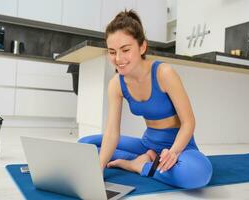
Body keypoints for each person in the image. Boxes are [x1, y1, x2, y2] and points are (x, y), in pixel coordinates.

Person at [79, 9, 212, 189]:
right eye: (112, 52)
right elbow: (111, 133)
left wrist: (173, 153)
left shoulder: (164, 73)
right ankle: (148, 158)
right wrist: (99, 168)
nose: (118, 59)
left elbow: (189, 122)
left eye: (125, 50)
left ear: (142, 47)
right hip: (147, 144)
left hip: (180, 147)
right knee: (85, 145)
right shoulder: (116, 84)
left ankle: (139, 165)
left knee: (196, 174)